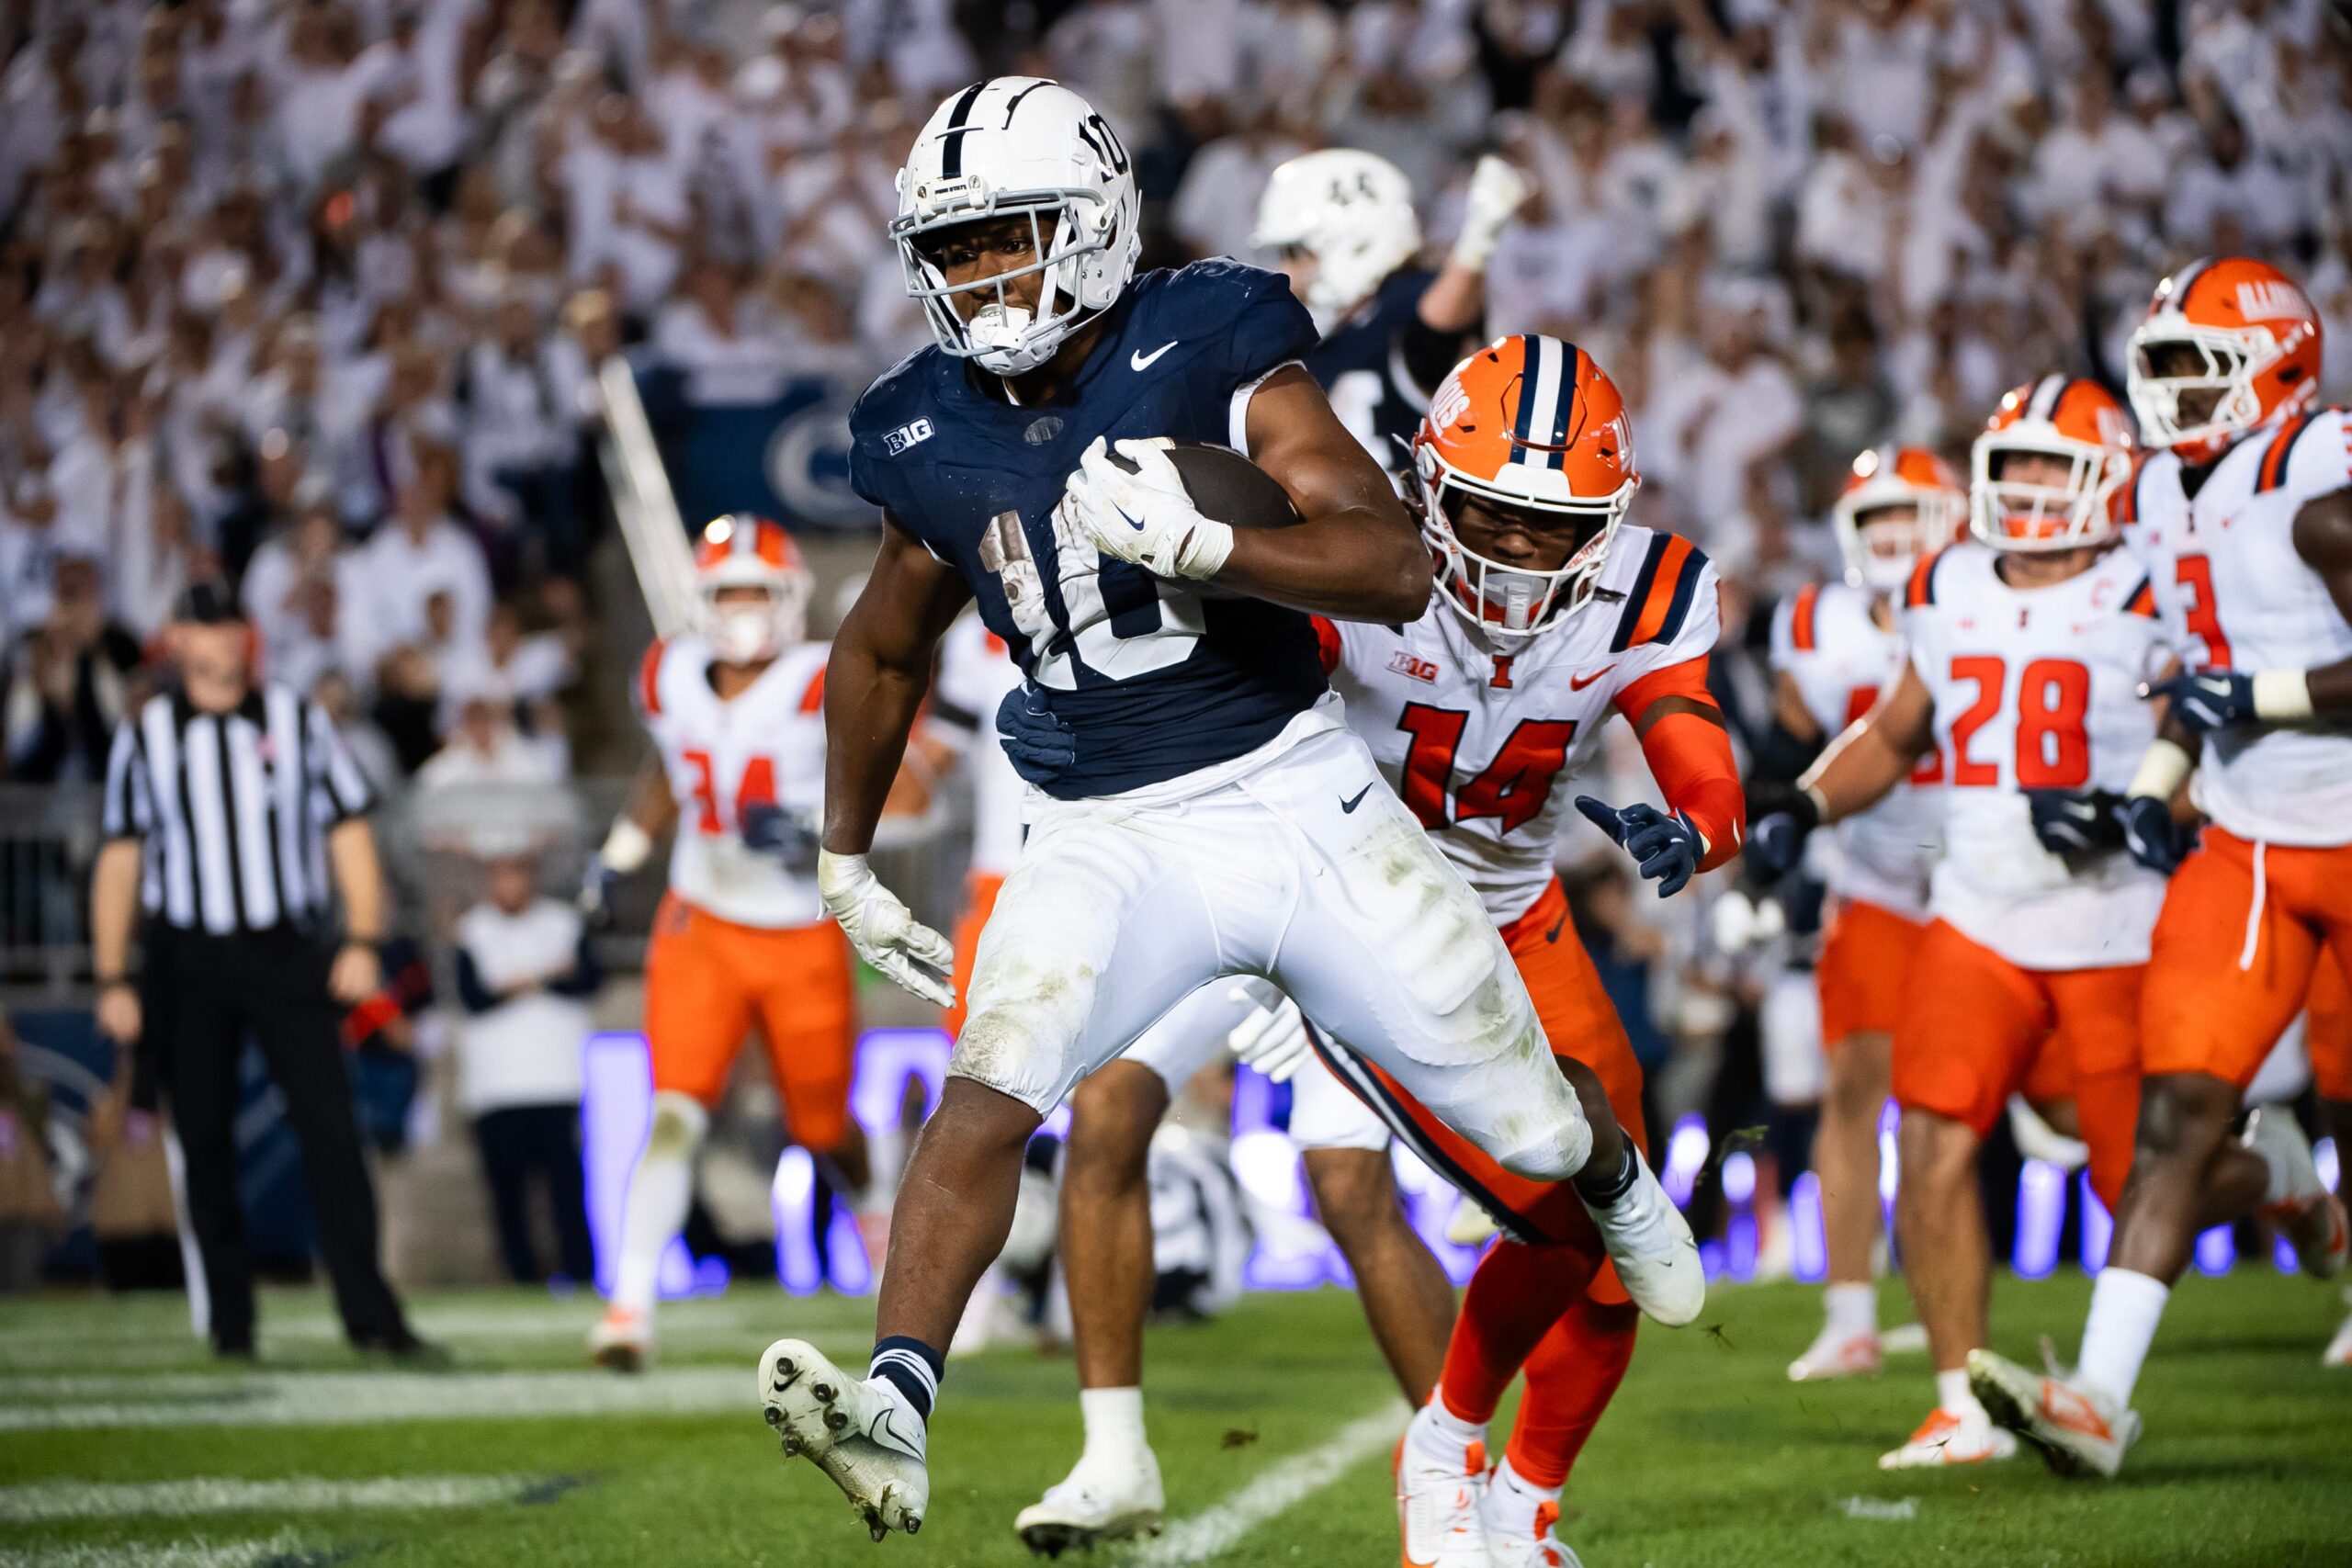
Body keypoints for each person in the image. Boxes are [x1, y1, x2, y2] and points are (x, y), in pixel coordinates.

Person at [756, 78, 1699, 1544]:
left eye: (1011, 238)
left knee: (1524, 1110)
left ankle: (1616, 1171)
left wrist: (1217, 542)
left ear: (1092, 223)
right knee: (996, 1076)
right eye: (956, 249)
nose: (984, 277)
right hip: (1098, 825)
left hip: (1295, 792)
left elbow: (1390, 562)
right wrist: (844, 852)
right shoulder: (920, 427)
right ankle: (895, 1398)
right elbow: (881, 643)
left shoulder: (1208, 334)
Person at [1017, 336, 1743, 1563]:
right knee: (1564, 1197)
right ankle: (1445, 1443)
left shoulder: (1652, 587)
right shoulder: (1355, 571)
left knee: (1613, 1261)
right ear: (1428, 488)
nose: (1516, 548)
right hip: (1363, 914)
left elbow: (1689, 729)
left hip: (1522, 911)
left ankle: (1523, 1502)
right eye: (1492, 515)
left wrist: (1701, 821)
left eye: (1548, 524)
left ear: (1610, 519)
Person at [1017, 141, 1535, 1551]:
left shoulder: (1360, 358)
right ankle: (1113, 1449)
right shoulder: (1241, 367)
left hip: (1347, 809)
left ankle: (1473, 1482)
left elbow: (1421, 331)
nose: (1284, 285)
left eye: (1303, 260)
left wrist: (1472, 239)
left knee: (1380, 1174)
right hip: (1216, 797)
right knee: (1112, 1101)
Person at [1971, 258, 2351, 1475]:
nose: (2174, 391)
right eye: (2164, 364)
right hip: (2246, 835)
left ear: (2280, 364)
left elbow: (2251, 675)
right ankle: (2095, 1399)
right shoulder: (2166, 494)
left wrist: (2264, 693)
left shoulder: (2317, 474)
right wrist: (2149, 790)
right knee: (2177, 1113)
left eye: (2201, 364)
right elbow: (2202, 678)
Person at [1750, 378, 2169, 1468]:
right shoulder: (1943, 583)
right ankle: (1961, 1404)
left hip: (2116, 918)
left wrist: (2143, 810)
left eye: (2052, 467)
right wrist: (1803, 800)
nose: (2028, 488)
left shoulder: (2153, 584)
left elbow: (2201, 744)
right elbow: (1894, 734)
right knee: (1929, 1136)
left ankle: (2276, 1178)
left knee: (2144, 1174)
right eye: (2013, 465)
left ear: (2109, 478)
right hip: (1974, 911)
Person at [88, 580, 429, 1360]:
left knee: (331, 1130)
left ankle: (369, 1310)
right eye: (205, 622)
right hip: (188, 954)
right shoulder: (146, 737)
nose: (222, 635)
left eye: (231, 619)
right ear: (175, 638)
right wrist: (113, 975)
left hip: (284, 946)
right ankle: (232, 1322)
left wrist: (364, 937)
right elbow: (120, 857)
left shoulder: (296, 717)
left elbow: (349, 828)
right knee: (203, 1139)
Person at [582, 515, 866, 1371]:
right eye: (728, 593)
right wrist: (619, 855)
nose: (743, 609)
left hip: (800, 930)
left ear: (790, 600)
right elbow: (670, 770)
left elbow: (912, 789)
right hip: (701, 920)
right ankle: (629, 1306)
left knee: (822, 1129)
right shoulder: (670, 675)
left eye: (758, 592)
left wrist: (821, 827)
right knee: (674, 1110)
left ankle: (880, 1200)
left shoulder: (827, 678)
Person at [1764, 446, 1962, 1382]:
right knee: (1853, 1095)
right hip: (1878, 880)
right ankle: (1850, 1316)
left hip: (1993, 880)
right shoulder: (1811, 624)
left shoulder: (1986, 600)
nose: (1888, 536)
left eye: (1906, 516)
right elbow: (1800, 740)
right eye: (1872, 519)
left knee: (2019, 1108)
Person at [1250, 146, 1525, 470]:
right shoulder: (1330, 335)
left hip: (1408, 511)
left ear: (1355, 242)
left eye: (1295, 253)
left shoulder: (1406, 299)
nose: (1288, 273)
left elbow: (1434, 338)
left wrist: (1477, 244)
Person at [451, 844, 600, 1287]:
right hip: (495, 1088)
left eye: (517, 876)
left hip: (556, 1080)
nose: (510, 886)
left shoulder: (563, 922)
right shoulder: (471, 930)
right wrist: (546, 976)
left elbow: (588, 980)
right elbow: (473, 997)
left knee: (567, 1191)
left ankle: (581, 1273)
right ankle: (522, 1277)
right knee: (507, 1194)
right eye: (501, 876)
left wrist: (517, 983)